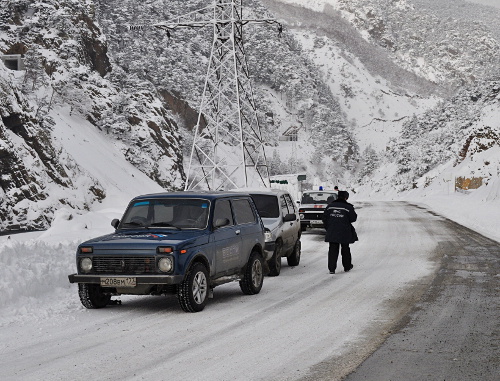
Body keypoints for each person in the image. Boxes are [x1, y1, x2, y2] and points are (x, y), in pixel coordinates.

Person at [322, 190, 357, 274]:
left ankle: (331, 269)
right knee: (345, 249)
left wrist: (329, 228)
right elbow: (353, 218)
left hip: (332, 231)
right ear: (346, 198)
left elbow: (324, 218)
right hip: (345, 231)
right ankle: (347, 267)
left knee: (332, 250)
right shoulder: (348, 207)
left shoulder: (330, 206)